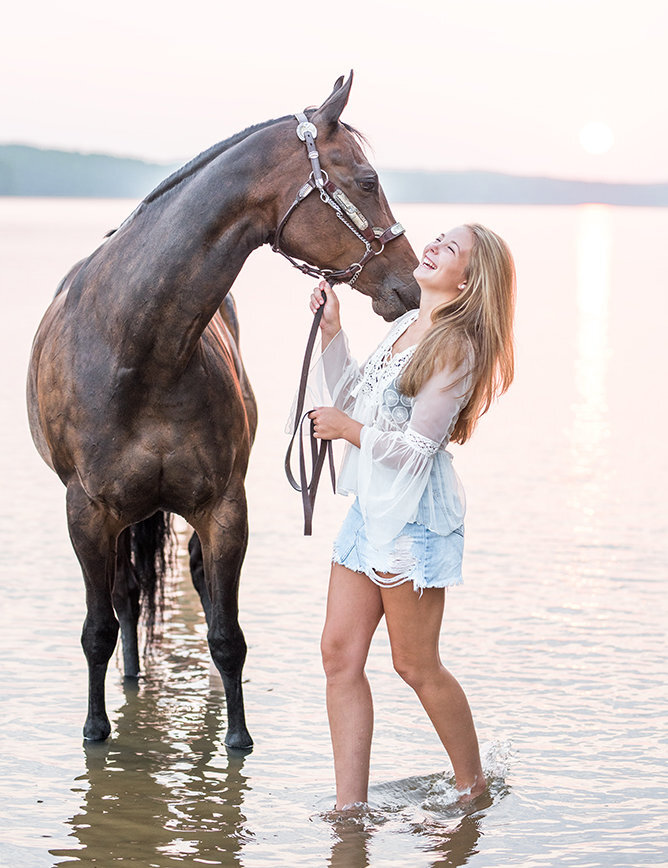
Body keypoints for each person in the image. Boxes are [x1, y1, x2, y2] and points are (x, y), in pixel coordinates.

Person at [306, 223, 516, 810]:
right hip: (371, 509)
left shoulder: (457, 346)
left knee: (415, 664)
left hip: (415, 518)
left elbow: (417, 450)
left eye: (449, 249)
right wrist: (332, 331)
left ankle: (472, 788)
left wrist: (347, 431)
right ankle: (351, 809)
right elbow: (352, 396)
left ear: (470, 279)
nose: (431, 246)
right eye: (438, 238)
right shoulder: (403, 327)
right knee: (338, 654)